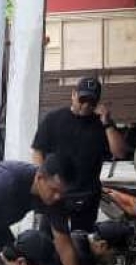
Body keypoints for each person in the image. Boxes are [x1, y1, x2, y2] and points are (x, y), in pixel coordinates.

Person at [31, 77, 126, 233]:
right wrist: (42, 184)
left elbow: (120, 152)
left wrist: (107, 124)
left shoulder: (102, 124)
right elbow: (37, 151)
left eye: (91, 102)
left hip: (87, 194)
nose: (86, 105)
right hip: (56, 193)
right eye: (82, 100)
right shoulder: (54, 119)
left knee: (82, 243)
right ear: (73, 95)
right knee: (47, 240)